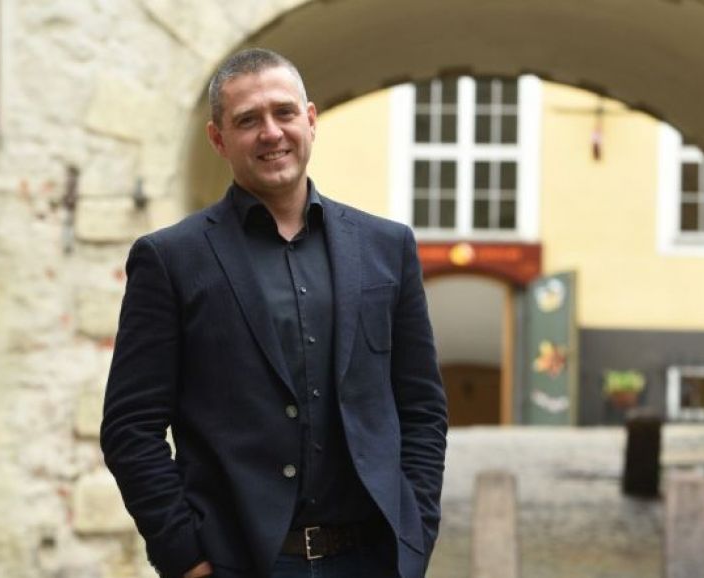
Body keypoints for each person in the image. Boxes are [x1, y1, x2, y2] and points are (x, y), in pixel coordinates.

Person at [100, 48, 447, 578]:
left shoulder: (386, 247)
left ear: (310, 120)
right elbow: (131, 427)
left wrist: (414, 535)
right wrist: (184, 557)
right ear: (218, 139)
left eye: (284, 113)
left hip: (372, 560)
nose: (271, 132)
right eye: (248, 120)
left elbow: (421, 408)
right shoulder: (170, 260)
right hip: (238, 563)